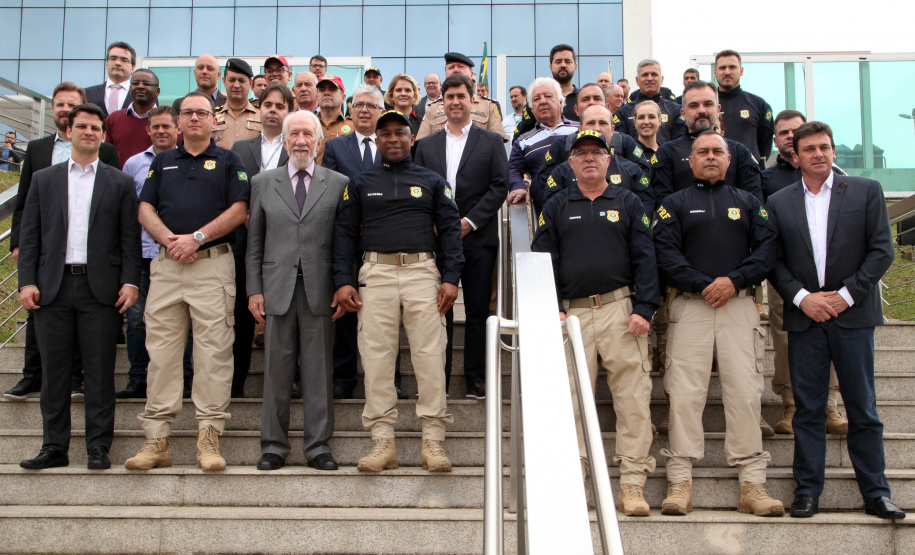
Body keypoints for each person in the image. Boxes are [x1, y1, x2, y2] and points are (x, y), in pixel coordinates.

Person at [766, 121, 904, 520]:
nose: (819, 154)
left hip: (853, 316)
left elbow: (881, 252)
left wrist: (843, 297)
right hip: (805, 317)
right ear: (795, 155)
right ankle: (808, 491)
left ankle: (876, 493)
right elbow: (773, 261)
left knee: (862, 407)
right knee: (808, 410)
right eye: (809, 149)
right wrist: (803, 298)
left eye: (825, 147)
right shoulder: (779, 201)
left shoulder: (865, 191)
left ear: (833, 151)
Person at [653, 131, 783, 517]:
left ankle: (752, 484)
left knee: (745, 391)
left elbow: (768, 249)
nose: (710, 157)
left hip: (739, 306)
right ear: (690, 161)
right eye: (702, 152)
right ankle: (679, 482)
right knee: (685, 392)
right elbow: (665, 253)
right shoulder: (673, 204)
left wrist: (734, 280)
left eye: (717, 152)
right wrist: (704, 284)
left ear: (729, 160)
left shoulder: (748, 202)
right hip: (690, 306)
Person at [533, 128, 658, 516]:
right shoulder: (555, 204)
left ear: (609, 160)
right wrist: (549, 305)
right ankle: (576, 482)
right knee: (570, 402)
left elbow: (645, 257)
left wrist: (644, 308)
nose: (589, 157)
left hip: (622, 311)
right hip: (570, 314)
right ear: (570, 162)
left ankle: (633, 484)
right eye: (581, 152)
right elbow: (543, 257)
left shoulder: (629, 201)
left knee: (633, 399)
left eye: (596, 152)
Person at [125, 91, 249, 472]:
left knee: (213, 353)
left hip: (213, 265)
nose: (195, 118)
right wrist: (170, 241)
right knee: (161, 354)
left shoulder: (230, 160)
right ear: (178, 122)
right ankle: (156, 439)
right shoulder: (161, 163)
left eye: (202, 113)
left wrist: (196, 238)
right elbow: (144, 207)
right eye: (188, 113)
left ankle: (209, 437)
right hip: (166, 267)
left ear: (215, 121)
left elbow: (240, 209)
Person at [333, 110, 463, 473]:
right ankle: (382, 442)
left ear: (411, 139)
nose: (393, 139)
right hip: (375, 273)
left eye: (400, 133)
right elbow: (343, 234)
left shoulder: (433, 181)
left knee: (430, 356)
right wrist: (343, 280)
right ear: (376, 141)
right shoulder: (359, 182)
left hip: (423, 272)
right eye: (385, 134)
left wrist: (451, 277)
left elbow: (451, 231)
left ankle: (433, 441)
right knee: (375, 357)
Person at [17, 103, 141, 470]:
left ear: (103, 135)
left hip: (99, 290)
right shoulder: (45, 178)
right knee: (54, 374)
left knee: (100, 371)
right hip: (51, 288)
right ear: (68, 131)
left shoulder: (119, 181)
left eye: (95, 128)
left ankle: (98, 447)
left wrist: (131, 280)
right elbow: (31, 234)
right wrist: (26, 283)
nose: (88, 132)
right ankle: (54, 447)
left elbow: (128, 238)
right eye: (82, 127)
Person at [5, 82, 118, 402]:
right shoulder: (38, 150)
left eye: (72, 105)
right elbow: (23, 201)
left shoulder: (105, 151)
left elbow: (110, 201)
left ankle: (74, 378)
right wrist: (17, 242)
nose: (65, 110)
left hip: (87, 248)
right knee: (36, 311)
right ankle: (31, 375)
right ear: (54, 111)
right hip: (45, 245)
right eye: (60, 105)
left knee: (84, 313)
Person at [247, 110, 348, 472]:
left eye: (308, 133)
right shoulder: (262, 182)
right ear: (285, 140)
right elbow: (254, 244)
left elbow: (343, 242)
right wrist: (253, 290)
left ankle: (318, 446)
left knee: (319, 372)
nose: (301, 140)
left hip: (320, 290)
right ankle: (273, 446)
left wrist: (342, 284)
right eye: (295, 134)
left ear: (319, 142)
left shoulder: (338, 183)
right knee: (276, 370)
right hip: (275, 289)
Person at [414, 73, 508, 400]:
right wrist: (432, 222)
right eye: (449, 96)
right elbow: (419, 189)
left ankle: (475, 379)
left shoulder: (492, 142)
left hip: (478, 239)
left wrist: (469, 221)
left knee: (478, 310)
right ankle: (436, 379)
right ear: (441, 102)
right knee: (437, 309)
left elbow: (500, 186)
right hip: (438, 240)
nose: (455, 101)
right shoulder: (425, 146)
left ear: (472, 100)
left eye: (461, 96)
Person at [762, 110, 846, 434]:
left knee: (835, 336)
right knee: (784, 339)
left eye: (794, 130)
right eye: (783, 132)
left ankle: (830, 404)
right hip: (788, 279)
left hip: (831, 278)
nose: (788, 136)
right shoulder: (767, 179)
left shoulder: (837, 177)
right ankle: (791, 403)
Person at [118, 106, 194, 400]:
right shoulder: (132, 165)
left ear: (178, 128)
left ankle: (185, 377)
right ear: (147, 130)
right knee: (137, 318)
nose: (161, 131)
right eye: (155, 127)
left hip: (176, 255)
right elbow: (127, 212)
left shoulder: (188, 162)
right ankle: (138, 377)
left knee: (182, 318)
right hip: (139, 254)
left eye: (167, 126)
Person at [322, 85, 385, 400]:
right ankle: (344, 378)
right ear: (350, 110)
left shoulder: (392, 143)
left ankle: (390, 380)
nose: (364, 109)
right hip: (347, 239)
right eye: (358, 104)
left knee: (386, 315)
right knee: (346, 311)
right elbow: (331, 191)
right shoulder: (336, 148)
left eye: (371, 105)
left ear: (380, 111)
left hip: (384, 240)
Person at [229, 85, 293, 397]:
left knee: (286, 315)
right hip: (245, 241)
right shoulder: (240, 149)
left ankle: (287, 382)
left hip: (285, 242)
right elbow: (234, 192)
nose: (272, 110)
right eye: (267, 104)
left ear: (288, 112)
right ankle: (235, 383)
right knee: (242, 316)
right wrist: (243, 215)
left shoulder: (297, 148)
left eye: (279, 106)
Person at [650, 80, 762, 203]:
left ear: (718, 109)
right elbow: (662, 204)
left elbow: (755, 203)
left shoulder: (739, 152)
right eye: (694, 106)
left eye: (708, 104)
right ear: (683, 114)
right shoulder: (666, 153)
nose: (701, 110)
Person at [541, 105, 653, 216]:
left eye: (603, 123)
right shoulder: (561, 172)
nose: (597, 128)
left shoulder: (632, 171)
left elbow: (645, 209)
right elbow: (550, 213)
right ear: (580, 129)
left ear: (612, 129)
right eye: (591, 123)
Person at [538, 84, 647, 196]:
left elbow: (644, 182)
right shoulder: (562, 145)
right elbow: (546, 186)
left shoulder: (625, 142)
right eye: (585, 99)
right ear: (576, 110)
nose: (591, 102)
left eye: (597, 98)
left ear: (607, 106)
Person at [506, 77, 578, 214]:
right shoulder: (523, 140)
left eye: (548, 96)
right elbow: (513, 169)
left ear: (561, 101)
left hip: (583, 203)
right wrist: (518, 186)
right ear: (532, 108)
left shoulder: (580, 130)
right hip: (546, 211)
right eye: (536, 99)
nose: (543, 101)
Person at [416, 52, 506, 141]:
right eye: (451, 67)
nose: (456, 70)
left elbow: (497, 142)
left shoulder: (488, 105)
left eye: (461, 66)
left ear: (471, 73)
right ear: (445, 73)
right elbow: (423, 144)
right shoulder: (432, 108)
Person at [714, 50, 774, 169]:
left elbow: (765, 144)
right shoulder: (705, 105)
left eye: (732, 67)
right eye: (722, 68)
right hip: (715, 171)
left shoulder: (759, 104)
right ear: (715, 72)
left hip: (748, 173)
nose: (727, 72)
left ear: (741, 71)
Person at [613, 59, 685, 146]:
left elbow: (681, 144)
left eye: (654, 74)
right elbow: (619, 144)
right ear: (637, 80)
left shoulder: (675, 110)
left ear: (661, 79)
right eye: (645, 75)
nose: (650, 78)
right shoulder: (623, 112)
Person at [105, 69, 160, 169]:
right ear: (130, 89)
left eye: (146, 83)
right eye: (135, 83)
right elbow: (105, 156)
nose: (140, 86)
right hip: (120, 181)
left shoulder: (167, 121)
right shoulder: (113, 119)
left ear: (157, 91)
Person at [212, 59, 261, 149]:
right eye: (232, 80)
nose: (236, 85)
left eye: (241, 81)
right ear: (224, 81)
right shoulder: (213, 116)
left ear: (250, 83)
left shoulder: (261, 115)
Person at [85, 42, 135, 117]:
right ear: (106, 64)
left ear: (133, 68)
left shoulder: (142, 96)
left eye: (124, 60)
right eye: (113, 58)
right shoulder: (87, 93)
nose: (118, 63)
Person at [315, 75, 353, 165]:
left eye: (332, 89)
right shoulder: (307, 124)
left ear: (343, 97)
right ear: (316, 97)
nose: (326, 93)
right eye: (322, 90)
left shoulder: (354, 126)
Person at [549, 44, 579, 122]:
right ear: (551, 67)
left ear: (575, 67)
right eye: (558, 62)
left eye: (567, 61)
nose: (563, 65)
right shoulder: (540, 100)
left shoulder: (584, 98)